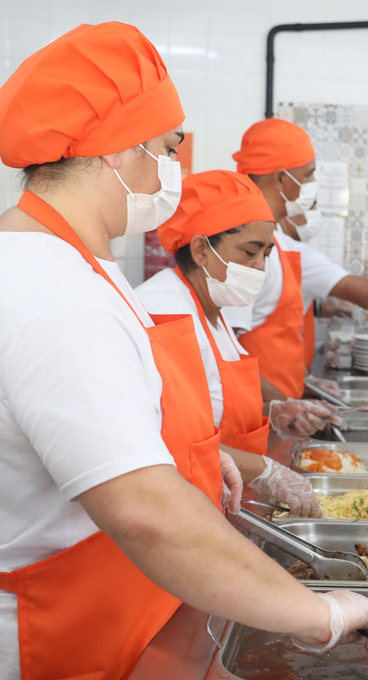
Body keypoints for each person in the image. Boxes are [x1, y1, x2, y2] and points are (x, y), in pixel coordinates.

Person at [0, 23, 368, 680]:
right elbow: (145, 512)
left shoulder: (54, 267)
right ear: (118, 153)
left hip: (98, 606)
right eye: (167, 147)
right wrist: (319, 613)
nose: (173, 167)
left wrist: (194, 459)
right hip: (53, 636)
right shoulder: (60, 295)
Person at [137, 170, 338, 517]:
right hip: (178, 510)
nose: (259, 267)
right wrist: (267, 471)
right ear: (201, 249)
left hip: (216, 501)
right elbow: (167, 440)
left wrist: (275, 410)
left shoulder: (214, 310)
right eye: (249, 252)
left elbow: (215, 392)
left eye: (266, 254)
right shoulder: (165, 310)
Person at [229, 118, 368, 400]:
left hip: (271, 415)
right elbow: (226, 353)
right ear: (281, 178)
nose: (313, 183)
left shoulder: (276, 243)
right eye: (308, 175)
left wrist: (305, 384)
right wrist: (284, 407)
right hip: (249, 419)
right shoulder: (243, 246)